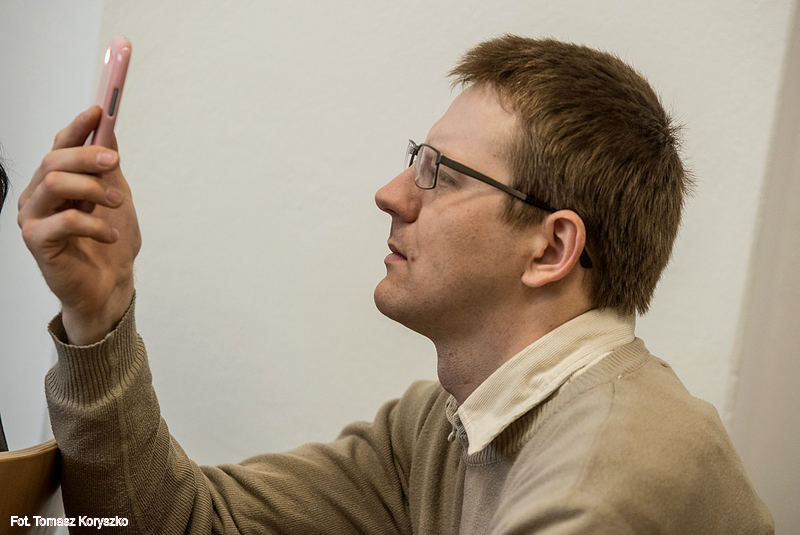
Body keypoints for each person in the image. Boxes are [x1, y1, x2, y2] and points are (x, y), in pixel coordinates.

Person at [18, 36, 772, 534]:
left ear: (551, 248)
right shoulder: (444, 424)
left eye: (440, 173)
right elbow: (186, 525)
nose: (391, 193)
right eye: (417, 158)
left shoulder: (605, 480)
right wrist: (98, 310)